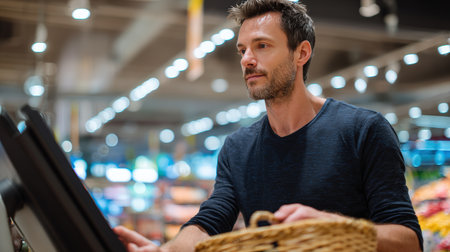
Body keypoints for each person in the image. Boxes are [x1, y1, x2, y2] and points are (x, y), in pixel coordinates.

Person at [114, 0, 423, 251]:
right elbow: (208, 222)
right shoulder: (238, 148)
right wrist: (166, 250)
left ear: (301, 53)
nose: (247, 59)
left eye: (262, 46)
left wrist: (332, 228)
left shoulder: (363, 131)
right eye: (242, 49)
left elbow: (408, 241)